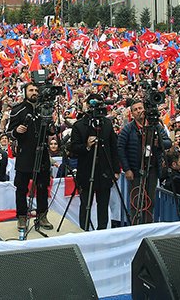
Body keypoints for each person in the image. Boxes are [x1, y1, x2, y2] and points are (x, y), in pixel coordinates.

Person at [6, 80, 53, 231]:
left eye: (36, 90)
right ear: (25, 92)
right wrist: (16, 131)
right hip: (25, 154)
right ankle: (21, 217)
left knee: (42, 187)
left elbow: (51, 131)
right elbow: (9, 132)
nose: (34, 92)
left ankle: (42, 216)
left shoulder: (44, 108)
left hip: (43, 154)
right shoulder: (18, 110)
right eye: (31, 90)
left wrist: (52, 124)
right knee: (21, 188)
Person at [68, 94, 119, 231]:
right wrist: (87, 146)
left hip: (104, 172)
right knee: (85, 204)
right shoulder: (79, 125)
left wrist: (116, 170)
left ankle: (102, 231)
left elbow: (114, 148)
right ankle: (84, 231)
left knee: (103, 205)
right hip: (86, 172)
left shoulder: (107, 124)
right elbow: (73, 149)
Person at [117, 99, 172, 225]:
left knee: (150, 201)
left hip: (152, 170)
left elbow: (168, 142)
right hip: (135, 171)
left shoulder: (156, 126)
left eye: (140, 108)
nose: (139, 111)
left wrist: (160, 143)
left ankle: (148, 226)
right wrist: (127, 169)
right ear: (132, 113)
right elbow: (120, 149)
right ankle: (135, 227)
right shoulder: (128, 129)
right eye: (135, 110)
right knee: (136, 202)